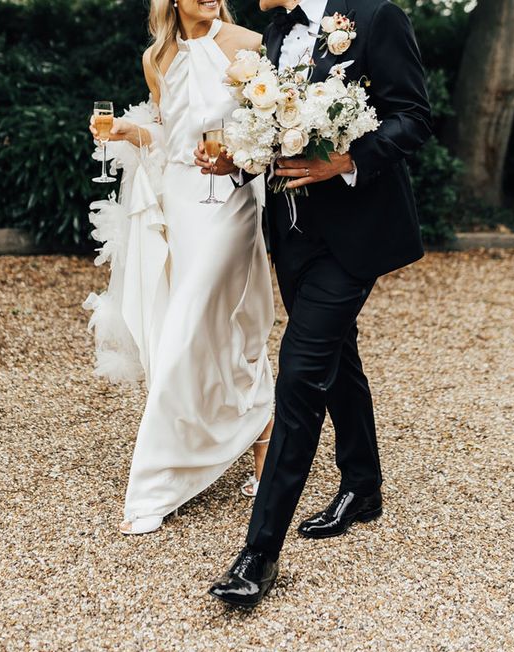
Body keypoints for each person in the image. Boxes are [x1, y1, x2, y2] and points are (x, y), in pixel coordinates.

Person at [197, 0, 432, 606]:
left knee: (300, 377)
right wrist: (235, 159)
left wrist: (348, 159)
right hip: (291, 236)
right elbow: (276, 133)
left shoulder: (377, 17)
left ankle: (259, 553)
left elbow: (412, 119)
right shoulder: (275, 33)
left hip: (353, 239)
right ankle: (363, 484)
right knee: (336, 357)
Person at [84, 0, 275, 535]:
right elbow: (170, 137)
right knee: (204, 328)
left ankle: (156, 483)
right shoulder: (156, 57)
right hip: (182, 202)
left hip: (230, 205)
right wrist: (125, 132)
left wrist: (237, 156)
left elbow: (269, 129)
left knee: (191, 327)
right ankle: (263, 457)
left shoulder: (249, 44)